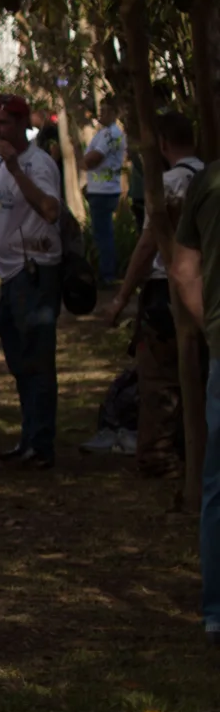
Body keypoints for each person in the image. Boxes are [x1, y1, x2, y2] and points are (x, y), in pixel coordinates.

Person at [99, 111, 202, 480]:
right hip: (205, 289)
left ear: (161, 144)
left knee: (159, 378)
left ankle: (160, 458)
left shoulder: (169, 183)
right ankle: (194, 454)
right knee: (197, 373)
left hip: (165, 289)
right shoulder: (209, 179)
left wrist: (121, 298)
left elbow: (146, 247)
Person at [0, 92, 64, 466]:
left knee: (37, 359)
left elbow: (50, 210)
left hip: (36, 272)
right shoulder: (3, 165)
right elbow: (3, 217)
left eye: (3, 123)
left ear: (24, 124)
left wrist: (17, 170)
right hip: (11, 274)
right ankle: (28, 439)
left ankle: (41, 446)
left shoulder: (36, 164)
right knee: (19, 360)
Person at [166, 161, 220, 648]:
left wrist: (213, 329)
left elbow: (183, 271)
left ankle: (216, 612)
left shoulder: (207, 181)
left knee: (217, 487)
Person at [81, 97, 128, 289]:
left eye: (107, 110)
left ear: (116, 113)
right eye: (101, 110)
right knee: (101, 234)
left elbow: (92, 159)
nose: (102, 114)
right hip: (98, 188)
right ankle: (104, 272)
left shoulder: (112, 134)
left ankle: (107, 274)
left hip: (105, 190)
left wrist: (82, 161)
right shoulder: (103, 133)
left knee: (104, 235)